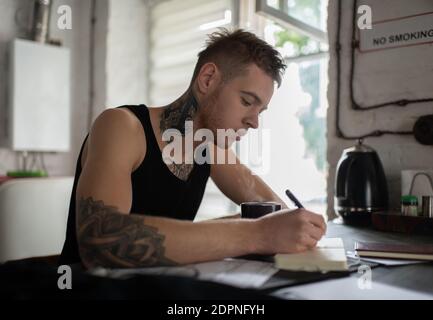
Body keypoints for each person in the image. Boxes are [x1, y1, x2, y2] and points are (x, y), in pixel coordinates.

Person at [59, 28, 326, 269]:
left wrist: (298, 228)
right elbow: (101, 241)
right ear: (208, 79)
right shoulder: (122, 127)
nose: (254, 122)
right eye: (247, 101)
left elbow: (270, 208)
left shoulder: (209, 147)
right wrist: (257, 233)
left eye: (261, 110)